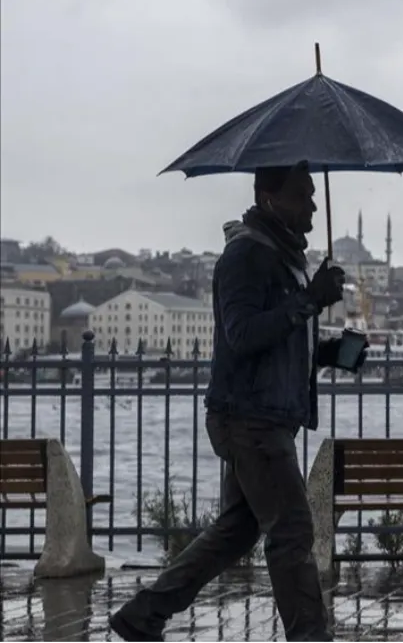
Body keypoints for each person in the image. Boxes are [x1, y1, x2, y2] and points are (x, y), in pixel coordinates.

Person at [110, 163, 365, 643]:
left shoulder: (285, 256)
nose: (312, 204)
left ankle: (142, 615)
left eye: (314, 195)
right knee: (290, 532)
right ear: (270, 199)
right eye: (302, 195)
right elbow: (242, 334)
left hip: (265, 416)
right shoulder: (246, 254)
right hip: (250, 418)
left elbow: (282, 339)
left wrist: (333, 352)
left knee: (236, 531)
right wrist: (309, 300)